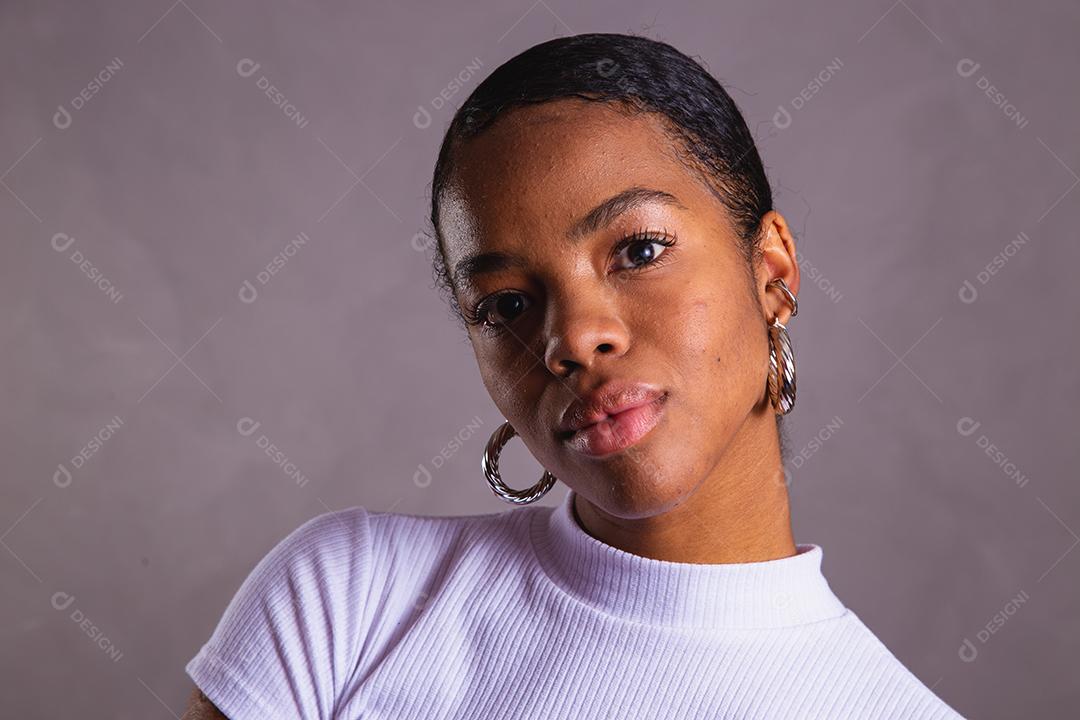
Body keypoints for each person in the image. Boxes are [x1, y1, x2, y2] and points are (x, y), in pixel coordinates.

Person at [182, 32, 966, 719]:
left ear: (772, 273)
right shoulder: (349, 602)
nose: (572, 339)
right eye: (506, 304)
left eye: (639, 251)